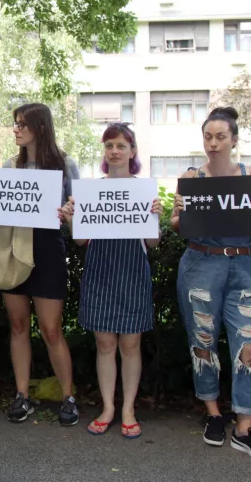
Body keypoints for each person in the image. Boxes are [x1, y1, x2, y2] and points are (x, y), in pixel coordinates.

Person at [171, 106, 251, 464]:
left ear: (233, 139)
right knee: (202, 339)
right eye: (208, 136)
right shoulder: (191, 177)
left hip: (244, 265)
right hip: (202, 262)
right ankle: (214, 413)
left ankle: (244, 427)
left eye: (220, 137)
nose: (213, 143)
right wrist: (178, 212)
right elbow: (176, 225)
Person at [60, 122, 161, 438]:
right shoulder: (90, 190)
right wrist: (72, 220)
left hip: (132, 270)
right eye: (109, 145)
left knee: (131, 344)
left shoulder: (145, 190)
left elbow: (153, 243)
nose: (115, 151)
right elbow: (80, 242)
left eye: (121, 145)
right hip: (100, 270)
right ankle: (108, 407)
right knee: (104, 343)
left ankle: (128, 408)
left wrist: (155, 214)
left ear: (132, 152)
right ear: (104, 151)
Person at [0, 103, 81, 426]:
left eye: (22, 124)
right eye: (15, 123)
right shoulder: (9, 166)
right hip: (14, 248)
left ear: (41, 127)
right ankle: (22, 396)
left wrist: (69, 214)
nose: (16, 129)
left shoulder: (65, 164)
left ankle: (68, 397)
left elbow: (78, 211)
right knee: (18, 325)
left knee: (50, 328)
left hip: (48, 249)